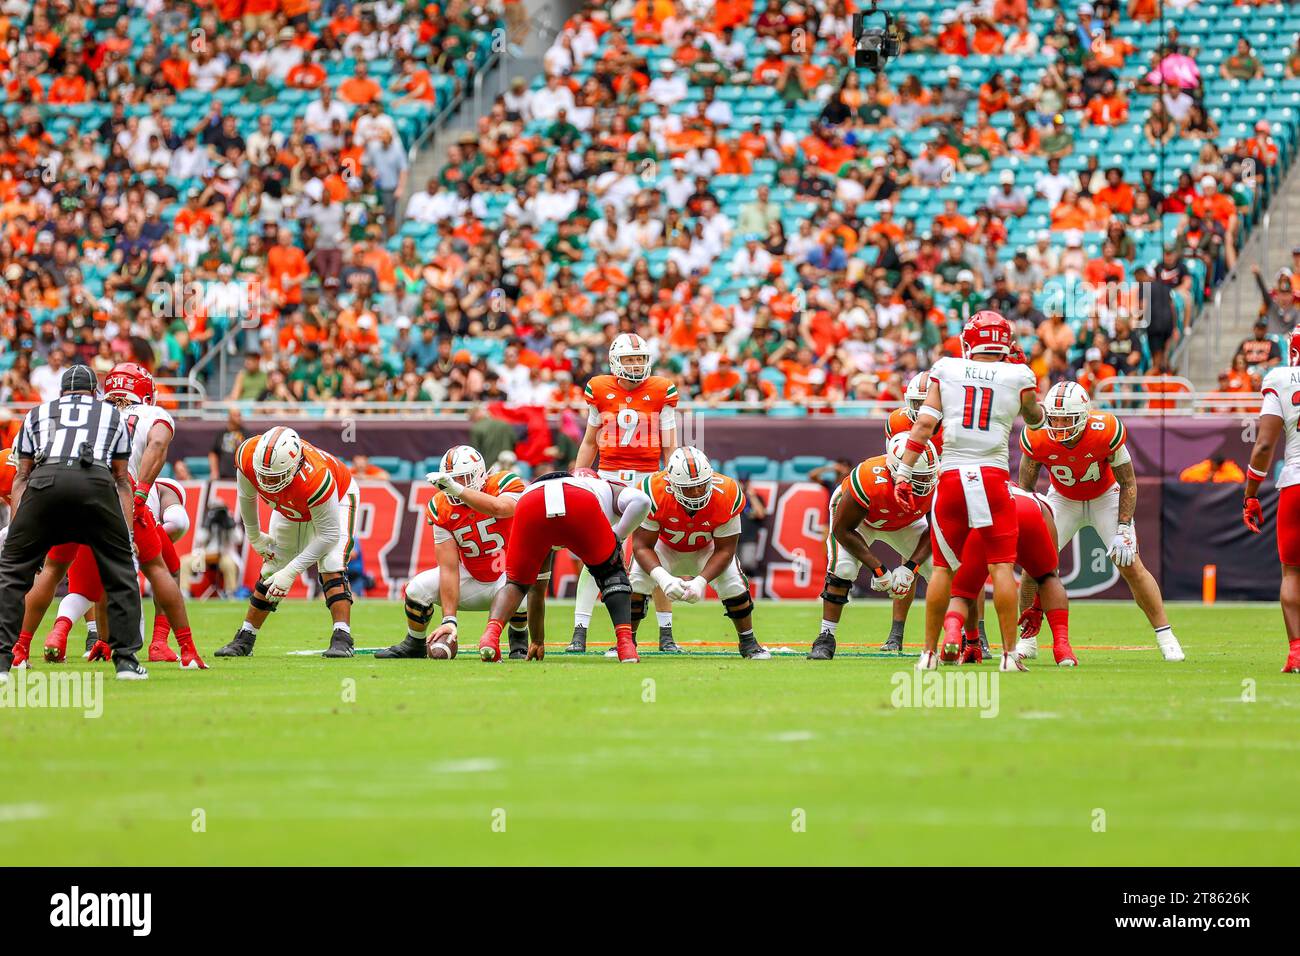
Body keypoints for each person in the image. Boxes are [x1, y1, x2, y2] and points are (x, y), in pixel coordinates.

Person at [893, 311, 1045, 672]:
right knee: (1002, 568)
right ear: (1004, 342)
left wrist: (903, 473)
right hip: (992, 477)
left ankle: (927, 654)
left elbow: (925, 425)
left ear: (969, 341)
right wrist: (1023, 382)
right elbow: (1037, 420)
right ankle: (1009, 655)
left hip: (953, 476)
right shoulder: (1018, 374)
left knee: (944, 570)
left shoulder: (946, 368)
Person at [1018, 381, 1184, 661]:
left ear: (1083, 416)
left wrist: (1123, 528)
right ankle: (1028, 640)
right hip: (1062, 498)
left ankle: (1166, 635)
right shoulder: (1037, 436)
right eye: (1054, 418)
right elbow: (1026, 489)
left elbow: (1128, 481)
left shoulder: (1104, 430)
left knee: (1130, 562)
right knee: (1032, 565)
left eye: (1066, 419)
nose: (1058, 425)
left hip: (1105, 496)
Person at [0, 366, 147, 682]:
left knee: (13, 572)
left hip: (44, 482)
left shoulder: (38, 413)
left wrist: (19, 532)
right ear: (95, 393)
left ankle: (3, 660)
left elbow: (21, 475)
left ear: (61, 393)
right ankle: (125, 661)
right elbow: (122, 479)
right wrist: (127, 533)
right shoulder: (111, 416)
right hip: (95, 482)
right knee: (120, 570)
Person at [568, 333, 679, 653]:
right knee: (596, 555)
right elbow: (590, 441)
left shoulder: (661, 390)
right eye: (630, 359)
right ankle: (580, 629)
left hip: (647, 479)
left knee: (652, 557)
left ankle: (666, 633)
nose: (636, 365)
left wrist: (668, 479)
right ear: (616, 361)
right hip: (608, 479)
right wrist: (579, 476)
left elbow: (670, 444)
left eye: (640, 359)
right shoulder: (599, 387)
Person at [474, 470, 650, 663]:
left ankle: (490, 636)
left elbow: (537, 590)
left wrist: (538, 640)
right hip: (580, 501)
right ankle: (625, 645)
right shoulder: (605, 488)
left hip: (531, 501)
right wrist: (619, 537)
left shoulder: (546, 489)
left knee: (516, 584)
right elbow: (642, 501)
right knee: (612, 573)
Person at [215, 427, 360, 658]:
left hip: (336, 498)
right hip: (292, 505)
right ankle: (245, 637)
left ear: (295, 465)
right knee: (273, 566)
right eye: (264, 475)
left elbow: (328, 535)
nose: (267, 481)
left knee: (331, 562)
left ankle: (343, 637)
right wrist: (254, 535)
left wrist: (292, 572)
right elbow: (247, 495)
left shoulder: (316, 477)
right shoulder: (248, 455)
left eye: (275, 476)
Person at [375, 446, 529, 660]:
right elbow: (448, 567)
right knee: (417, 589)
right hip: (471, 578)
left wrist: (457, 489)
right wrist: (449, 620)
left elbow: (499, 508)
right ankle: (415, 642)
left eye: (464, 478)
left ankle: (519, 639)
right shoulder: (441, 507)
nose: (456, 485)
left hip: (507, 577)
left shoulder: (504, 483)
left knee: (524, 590)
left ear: (480, 474)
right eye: (452, 480)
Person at [630, 447, 769, 659]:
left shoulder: (728, 493)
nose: (696, 492)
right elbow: (641, 547)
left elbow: (725, 550)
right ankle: (626, 642)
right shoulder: (652, 491)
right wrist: (664, 578)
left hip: (707, 548)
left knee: (733, 583)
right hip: (664, 546)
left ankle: (748, 641)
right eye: (689, 488)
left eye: (701, 485)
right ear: (672, 484)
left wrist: (700, 582)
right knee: (636, 580)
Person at [812, 434, 940, 659]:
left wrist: (911, 567)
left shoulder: (937, 481)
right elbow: (843, 530)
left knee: (939, 569)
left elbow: (937, 529)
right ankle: (825, 636)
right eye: (918, 477)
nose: (925, 483)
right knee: (843, 568)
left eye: (927, 476)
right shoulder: (868, 479)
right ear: (895, 470)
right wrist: (878, 568)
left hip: (905, 521)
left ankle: (959, 635)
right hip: (861, 521)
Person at [941, 484, 1077, 666]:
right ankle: (1062, 647)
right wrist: (1037, 607)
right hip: (1029, 512)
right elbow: (1051, 572)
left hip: (984, 516)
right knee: (1048, 578)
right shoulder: (1038, 500)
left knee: (963, 594)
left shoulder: (970, 492)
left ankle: (958, 636)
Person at [1242, 326, 1300, 672]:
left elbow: (1264, 445)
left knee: (1292, 573)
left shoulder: (1281, 378)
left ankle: (1296, 652)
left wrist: (1250, 494)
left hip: (1295, 481)